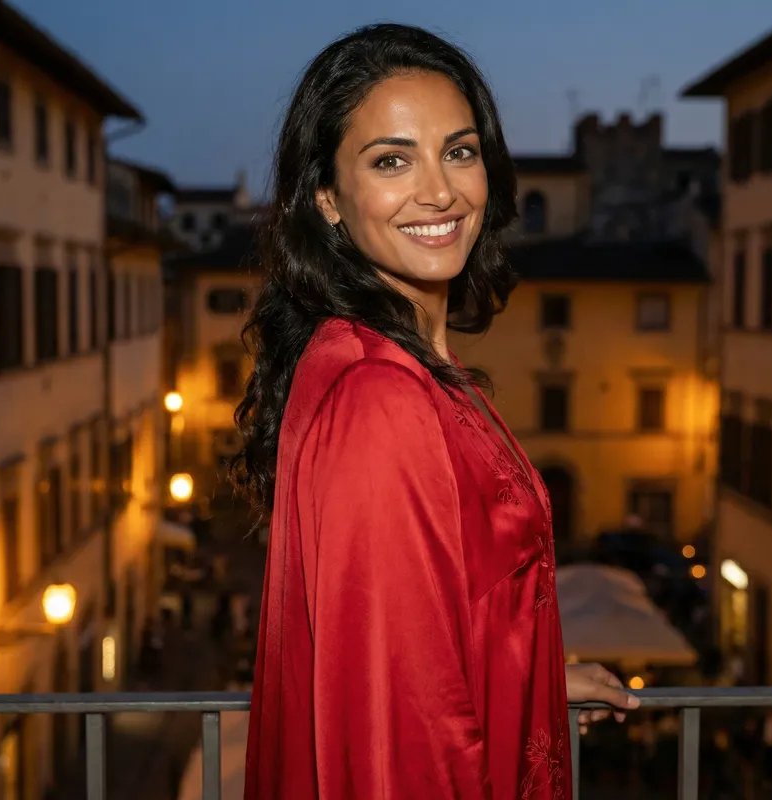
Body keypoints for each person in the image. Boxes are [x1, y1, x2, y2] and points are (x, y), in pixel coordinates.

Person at [233, 23, 639, 799]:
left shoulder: (405, 368)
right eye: (392, 160)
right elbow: (399, 736)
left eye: (459, 151)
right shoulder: (382, 401)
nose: (441, 191)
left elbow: (421, 641)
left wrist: (532, 686)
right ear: (328, 200)